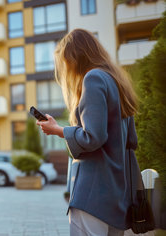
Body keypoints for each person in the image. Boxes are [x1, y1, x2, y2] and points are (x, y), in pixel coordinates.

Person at [36, 29, 138, 235]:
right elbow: (131, 141)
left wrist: (58, 130)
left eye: (66, 61)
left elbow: (93, 137)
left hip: (93, 193)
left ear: (75, 57)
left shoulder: (93, 79)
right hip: (117, 194)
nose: (67, 69)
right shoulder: (116, 81)